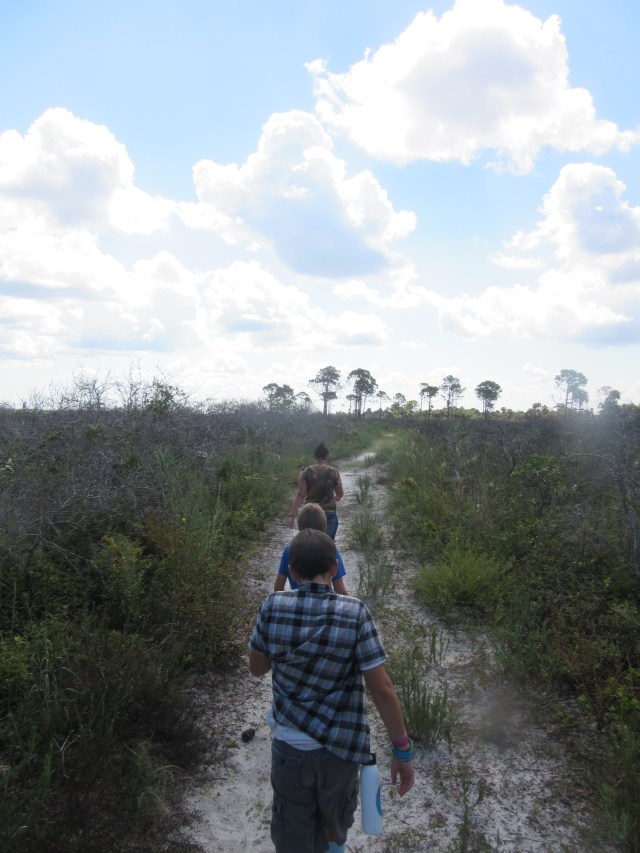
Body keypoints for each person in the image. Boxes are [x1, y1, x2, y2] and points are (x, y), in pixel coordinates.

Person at [249, 529, 415, 853]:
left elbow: (257, 668)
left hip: (290, 752)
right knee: (333, 832)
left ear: (292, 572)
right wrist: (402, 750)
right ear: (335, 568)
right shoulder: (355, 613)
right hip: (340, 753)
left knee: (293, 838)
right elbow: (382, 688)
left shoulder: (272, 606)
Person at [275, 503, 348, 595]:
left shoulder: (289, 550)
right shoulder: (331, 550)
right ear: (324, 527)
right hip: (324, 601)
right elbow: (340, 590)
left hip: (298, 600)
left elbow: (278, 587)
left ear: (300, 527)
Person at [289, 443, 343, 540]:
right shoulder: (334, 472)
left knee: (309, 544)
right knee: (326, 545)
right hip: (328, 514)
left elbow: (301, 495)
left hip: (310, 514)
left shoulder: (306, 472)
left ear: (314, 456)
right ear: (327, 456)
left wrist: (292, 515)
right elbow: (340, 493)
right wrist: (336, 497)